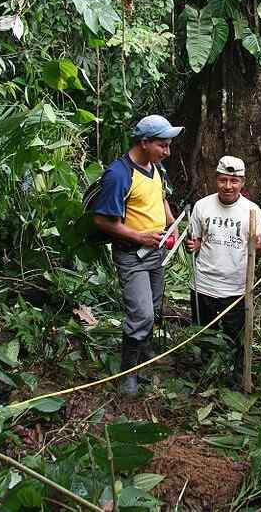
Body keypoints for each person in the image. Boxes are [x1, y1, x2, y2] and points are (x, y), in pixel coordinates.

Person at [93, 114, 184, 397]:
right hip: (132, 255)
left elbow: (161, 197)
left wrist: (171, 225)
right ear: (144, 142)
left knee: (153, 306)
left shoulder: (155, 167)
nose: (167, 152)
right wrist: (140, 236)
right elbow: (103, 220)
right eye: (162, 146)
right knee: (141, 312)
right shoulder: (119, 174)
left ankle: (144, 353)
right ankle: (128, 372)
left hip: (155, 252)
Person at [186, 156, 261, 380]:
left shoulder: (252, 211)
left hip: (236, 289)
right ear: (216, 179)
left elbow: (257, 251)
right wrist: (194, 244)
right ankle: (203, 374)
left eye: (234, 181)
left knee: (235, 338)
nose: (228, 186)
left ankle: (235, 376)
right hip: (203, 284)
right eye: (223, 180)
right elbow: (197, 240)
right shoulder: (202, 206)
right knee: (203, 335)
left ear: (242, 182)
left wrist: (258, 248)